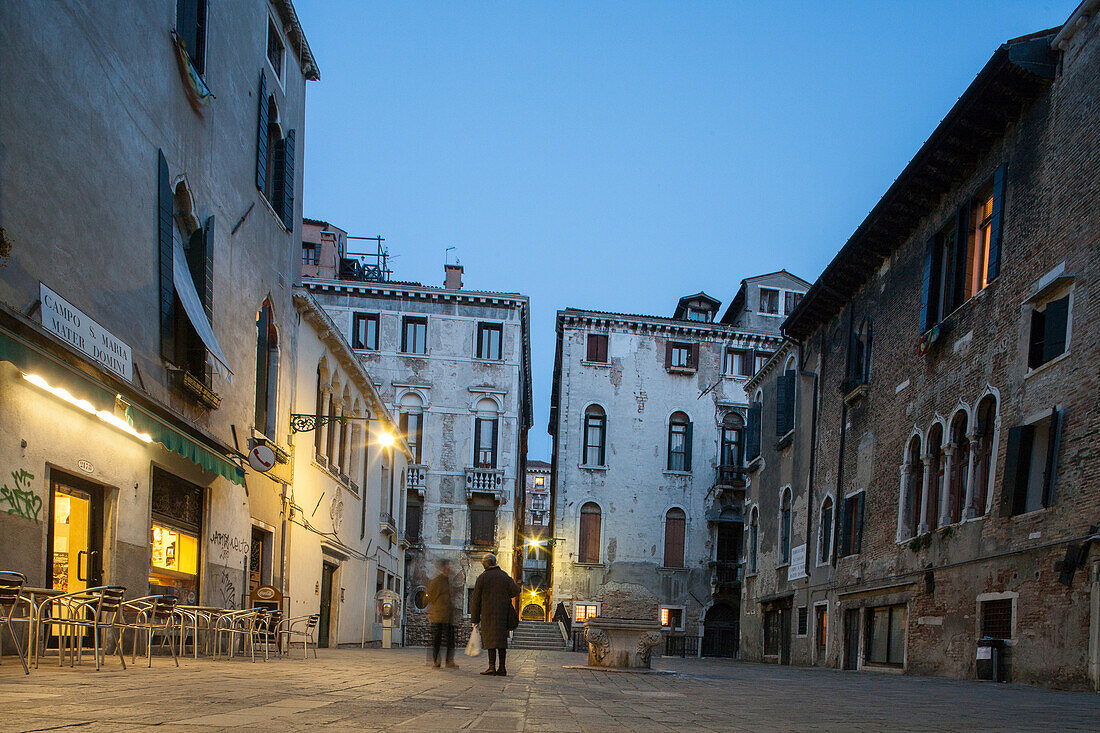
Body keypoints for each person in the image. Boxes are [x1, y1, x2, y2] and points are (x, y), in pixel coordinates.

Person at [469, 553, 519, 676]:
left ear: (485, 564)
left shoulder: (482, 578)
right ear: (495, 562)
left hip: (488, 614)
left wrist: (474, 618)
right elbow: (516, 590)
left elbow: (476, 600)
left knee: (490, 641)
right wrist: (506, 596)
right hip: (502, 613)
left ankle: (491, 667)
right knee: (501, 641)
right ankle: (502, 667)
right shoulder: (504, 576)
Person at [427, 558, 458, 669]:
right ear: (444, 567)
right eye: (448, 566)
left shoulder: (448, 580)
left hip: (448, 615)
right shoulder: (437, 581)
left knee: (450, 639)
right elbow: (431, 596)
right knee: (437, 639)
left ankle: (449, 661)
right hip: (438, 615)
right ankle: (436, 661)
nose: (450, 568)